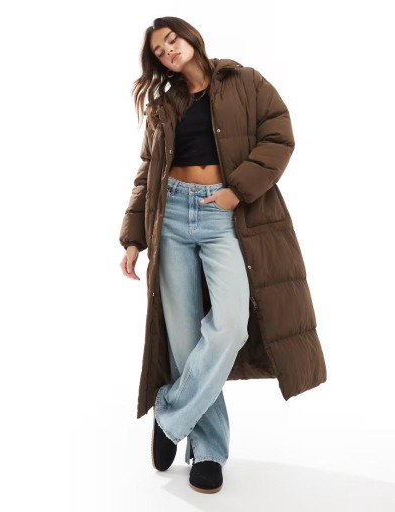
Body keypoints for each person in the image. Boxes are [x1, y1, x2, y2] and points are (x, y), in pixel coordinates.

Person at [119, 16, 327, 494]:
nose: (169, 51)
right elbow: (147, 170)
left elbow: (279, 137)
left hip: (223, 215)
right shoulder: (163, 105)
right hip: (171, 215)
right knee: (185, 341)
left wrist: (238, 190)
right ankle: (209, 451)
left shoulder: (245, 82)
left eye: (172, 40)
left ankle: (171, 414)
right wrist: (133, 237)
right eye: (159, 51)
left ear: (189, 36)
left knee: (231, 324)